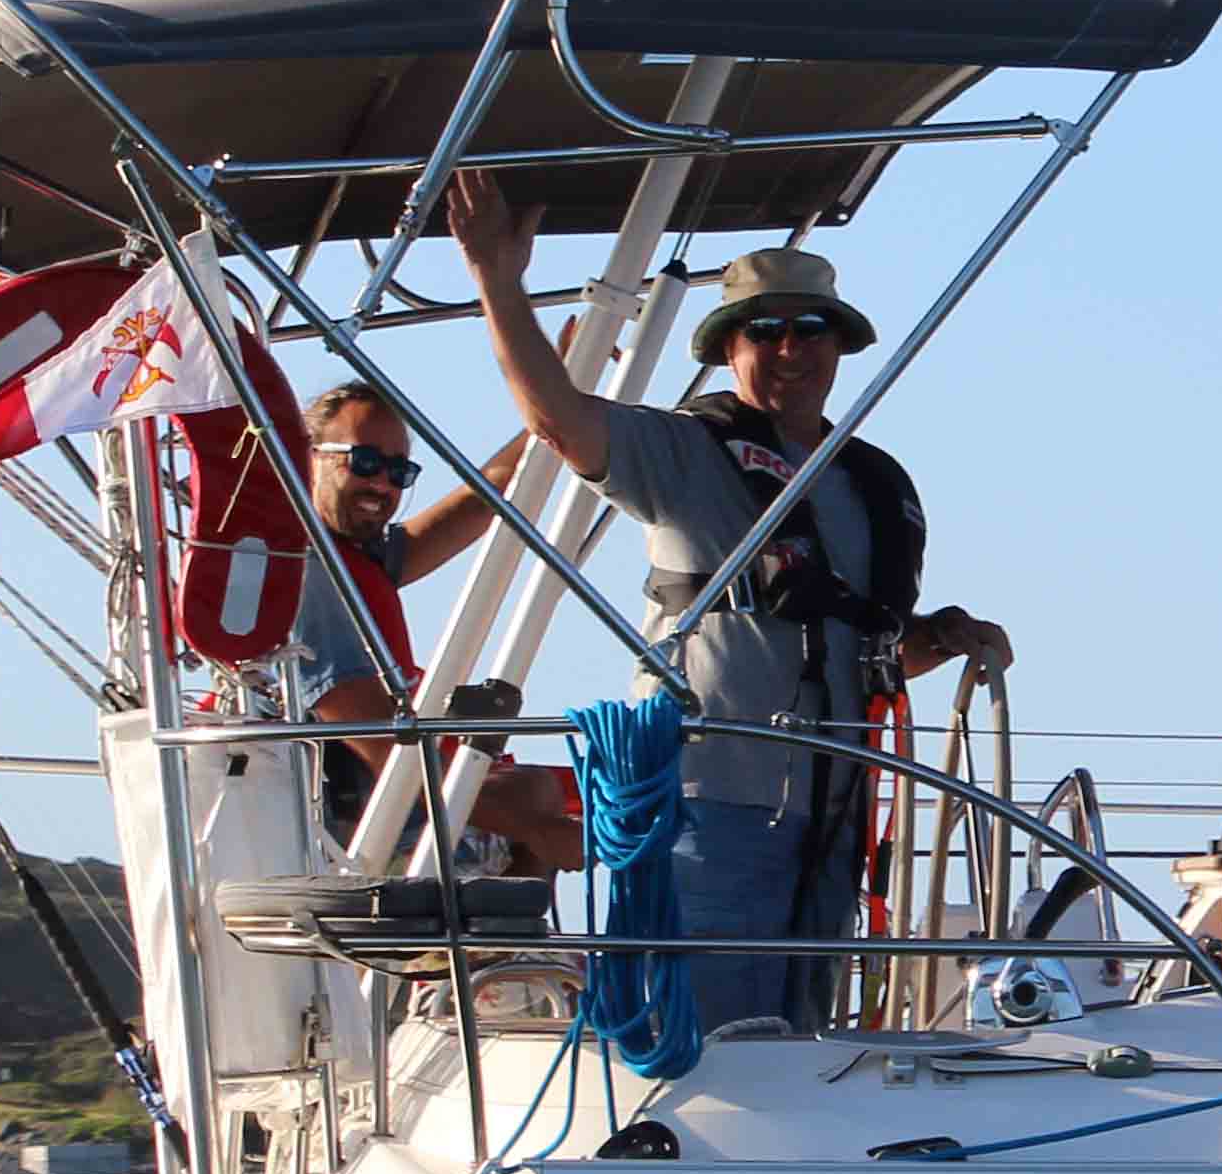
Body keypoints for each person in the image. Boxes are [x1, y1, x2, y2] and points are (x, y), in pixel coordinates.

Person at [443, 170, 1011, 1034]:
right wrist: (497, 281)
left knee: (801, 1041)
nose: (791, 348)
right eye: (766, 331)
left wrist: (950, 638)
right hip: (712, 803)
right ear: (728, 349)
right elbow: (556, 417)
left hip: (836, 813)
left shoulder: (871, 484)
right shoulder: (680, 453)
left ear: (839, 345)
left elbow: (868, 650)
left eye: (810, 329)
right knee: (702, 1041)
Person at [284, 382, 576, 869]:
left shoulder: (358, 558)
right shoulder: (308, 574)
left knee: (541, 788)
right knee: (534, 797)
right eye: (365, 463)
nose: (383, 485)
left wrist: (554, 396)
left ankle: (507, 942)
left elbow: (486, 498)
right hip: (355, 835)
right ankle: (486, 945)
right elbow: (380, 744)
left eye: (399, 471)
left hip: (389, 805)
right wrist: (537, 831)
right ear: (309, 457)